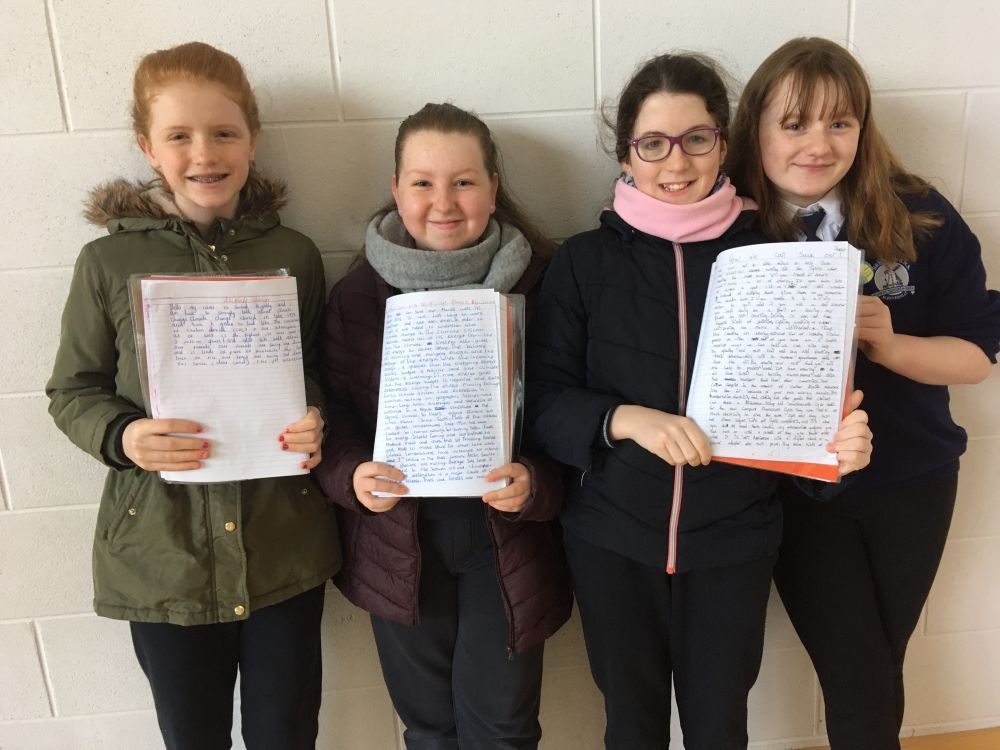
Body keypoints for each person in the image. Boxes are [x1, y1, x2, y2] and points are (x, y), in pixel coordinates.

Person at [526, 52, 874, 749]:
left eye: (696, 139)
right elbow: (543, 405)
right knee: (632, 725)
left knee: (720, 726)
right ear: (626, 153)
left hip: (733, 541)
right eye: (652, 143)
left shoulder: (778, 255)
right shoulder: (583, 262)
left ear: (723, 141)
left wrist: (838, 453)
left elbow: (805, 421)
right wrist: (624, 420)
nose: (676, 162)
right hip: (612, 539)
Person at [45, 42, 340, 750]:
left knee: (287, 734)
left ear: (252, 140)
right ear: (148, 146)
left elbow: (319, 371)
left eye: (223, 132)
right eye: (179, 135)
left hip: (281, 546)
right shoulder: (107, 262)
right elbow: (72, 390)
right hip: (162, 557)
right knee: (192, 737)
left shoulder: (294, 255)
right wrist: (124, 436)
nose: (204, 153)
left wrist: (316, 416)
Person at [727, 36, 1000, 749]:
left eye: (840, 123)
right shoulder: (727, 228)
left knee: (879, 662)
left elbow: (977, 355)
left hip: (912, 479)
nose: (818, 144)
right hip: (795, 490)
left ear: (863, 128)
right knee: (858, 673)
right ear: (755, 128)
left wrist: (890, 345)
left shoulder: (917, 214)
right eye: (794, 124)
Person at [316, 102, 572, 750]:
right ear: (396, 189)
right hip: (398, 543)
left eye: (463, 182)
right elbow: (333, 415)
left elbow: (567, 411)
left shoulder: (542, 285)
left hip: (506, 539)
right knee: (429, 730)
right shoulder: (357, 295)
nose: (444, 203)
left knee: (504, 729)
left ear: (493, 186)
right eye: (423, 183)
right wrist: (352, 477)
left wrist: (536, 479)